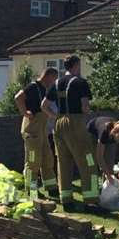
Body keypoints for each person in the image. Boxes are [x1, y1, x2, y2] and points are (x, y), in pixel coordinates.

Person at [42, 55, 100, 212]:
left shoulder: (56, 83)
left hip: (59, 124)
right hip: (76, 123)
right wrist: (88, 114)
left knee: (63, 162)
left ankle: (66, 199)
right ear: (76, 65)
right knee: (88, 160)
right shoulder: (81, 82)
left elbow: (44, 105)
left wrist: (56, 117)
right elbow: (85, 107)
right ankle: (91, 200)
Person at [14, 67, 59, 200]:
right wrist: (25, 112)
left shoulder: (46, 90)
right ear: (48, 76)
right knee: (33, 162)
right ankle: (31, 190)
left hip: (42, 131)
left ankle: (51, 188)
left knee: (47, 159)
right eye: (54, 79)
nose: (54, 82)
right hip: (32, 131)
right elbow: (18, 97)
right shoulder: (33, 86)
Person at [87, 116, 119, 183]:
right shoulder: (104, 132)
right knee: (91, 163)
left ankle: (107, 189)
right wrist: (108, 175)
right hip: (91, 133)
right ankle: (93, 189)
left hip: (110, 137)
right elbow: (100, 157)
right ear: (115, 133)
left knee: (110, 165)